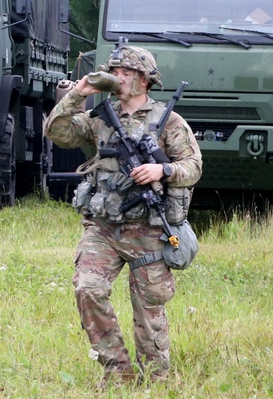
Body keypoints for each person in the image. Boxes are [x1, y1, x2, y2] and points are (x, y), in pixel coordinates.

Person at [43, 44, 202, 386]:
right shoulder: (100, 118)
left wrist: (162, 170)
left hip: (148, 228)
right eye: (113, 72)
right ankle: (117, 371)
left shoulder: (168, 120)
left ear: (143, 80)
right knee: (88, 288)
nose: (116, 77)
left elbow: (194, 166)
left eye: (124, 73)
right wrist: (79, 94)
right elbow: (56, 132)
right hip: (103, 226)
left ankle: (155, 378)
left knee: (149, 309)